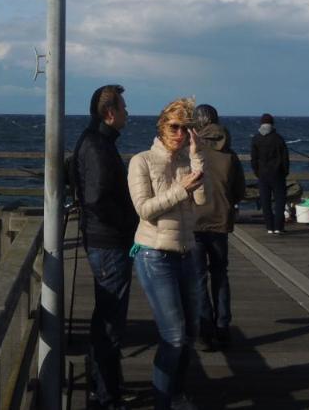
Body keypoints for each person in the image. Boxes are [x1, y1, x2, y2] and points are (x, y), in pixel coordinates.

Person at [128, 97, 206, 410]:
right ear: (162, 127)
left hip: (187, 252)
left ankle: (176, 393)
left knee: (190, 333)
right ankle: (163, 401)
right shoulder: (142, 161)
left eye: (186, 128)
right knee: (173, 335)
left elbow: (202, 199)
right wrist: (180, 190)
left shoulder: (188, 162)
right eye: (174, 127)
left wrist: (197, 157)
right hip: (154, 254)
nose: (180, 133)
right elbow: (144, 209)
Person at [73, 84, 138, 410]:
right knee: (111, 324)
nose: (128, 113)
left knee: (105, 320)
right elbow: (97, 198)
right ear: (110, 113)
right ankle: (107, 396)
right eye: (124, 108)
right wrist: (127, 225)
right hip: (108, 243)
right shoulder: (97, 146)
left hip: (104, 240)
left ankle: (104, 386)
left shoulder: (94, 141)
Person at [191, 103, 246, 351]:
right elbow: (239, 191)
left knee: (198, 277)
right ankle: (223, 327)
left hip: (194, 221)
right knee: (220, 275)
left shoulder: (190, 150)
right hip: (220, 221)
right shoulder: (230, 154)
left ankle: (205, 330)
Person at [250, 112, 290, 235]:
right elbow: (285, 159)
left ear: (261, 124)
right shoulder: (278, 139)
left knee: (265, 202)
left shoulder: (256, 139)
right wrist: (285, 172)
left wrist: (257, 172)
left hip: (262, 174)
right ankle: (278, 227)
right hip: (278, 174)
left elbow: (253, 159)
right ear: (272, 124)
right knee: (279, 202)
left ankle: (269, 227)